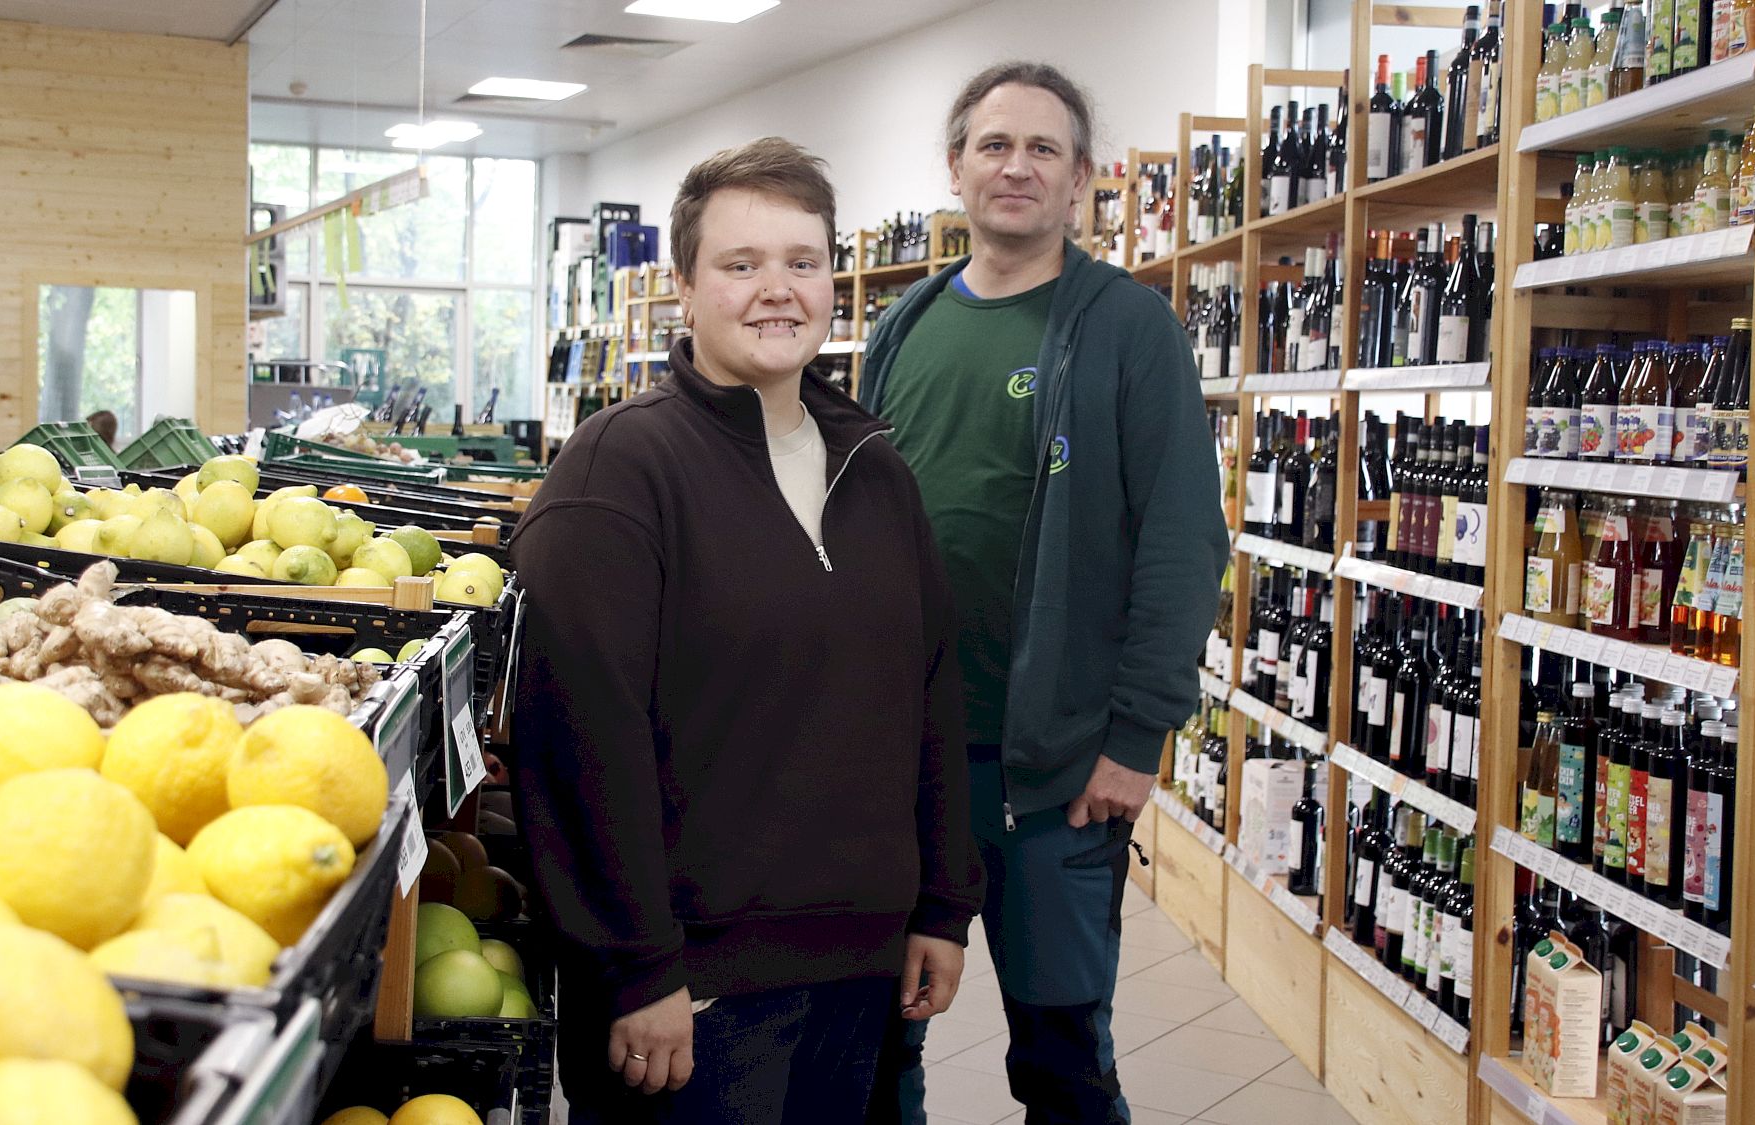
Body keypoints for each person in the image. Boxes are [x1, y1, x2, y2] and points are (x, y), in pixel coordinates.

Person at [509, 137, 983, 1124]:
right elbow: (578, 743)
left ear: (832, 279)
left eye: (801, 262)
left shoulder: (873, 470)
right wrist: (633, 966)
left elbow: (928, 698)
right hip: (690, 992)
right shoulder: (617, 473)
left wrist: (943, 901)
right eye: (740, 264)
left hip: (859, 972)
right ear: (683, 286)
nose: (778, 290)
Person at [861, 63, 1226, 1125]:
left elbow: (1179, 540)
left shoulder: (1126, 329)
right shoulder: (906, 323)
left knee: (1061, 1055)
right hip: (904, 763)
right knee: (881, 1043)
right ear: (954, 168)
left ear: (1082, 182)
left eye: (1042, 150)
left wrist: (1137, 736)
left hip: (1055, 770)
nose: (1014, 167)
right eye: (992, 145)